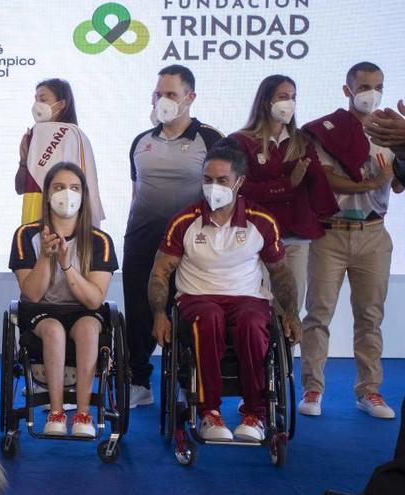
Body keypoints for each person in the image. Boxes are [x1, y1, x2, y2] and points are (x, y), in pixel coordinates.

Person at [149, 140, 302, 443]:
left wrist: (293, 314)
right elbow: (160, 271)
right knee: (208, 317)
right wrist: (158, 314)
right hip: (197, 298)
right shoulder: (184, 221)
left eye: (222, 180)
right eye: (207, 180)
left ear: (240, 182)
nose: (213, 187)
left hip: (247, 298)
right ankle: (210, 412)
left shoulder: (262, 221)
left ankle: (255, 414)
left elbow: (281, 272)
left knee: (253, 323)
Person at [298, 62, 404, 419]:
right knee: (318, 314)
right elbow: (325, 179)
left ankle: (369, 392)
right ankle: (313, 390)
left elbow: (400, 182)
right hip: (331, 232)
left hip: (373, 234)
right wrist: (372, 183)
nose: (370, 93)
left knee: (370, 317)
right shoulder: (325, 131)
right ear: (347, 90)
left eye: (377, 85)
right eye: (363, 86)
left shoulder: (392, 131)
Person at [123, 65, 224, 409]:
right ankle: (139, 380)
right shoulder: (141, 141)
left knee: (182, 311)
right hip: (141, 238)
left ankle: (184, 380)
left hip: (187, 244)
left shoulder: (210, 139)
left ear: (189, 98)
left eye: (170, 95)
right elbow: (137, 193)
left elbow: (223, 194)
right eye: (158, 94)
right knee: (138, 311)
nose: (162, 101)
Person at [9, 161, 117, 437]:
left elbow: (94, 300)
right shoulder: (26, 235)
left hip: (83, 310)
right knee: (54, 331)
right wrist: (46, 256)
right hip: (41, 310)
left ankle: (83, 413)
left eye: (74, 188)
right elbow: (32, 293)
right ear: (47, 194)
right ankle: (56, 412)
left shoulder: (100, 241)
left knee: (89, 329)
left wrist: (67, 265)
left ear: (83, 195)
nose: (66, 194)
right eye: (59, 187)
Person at [229, 74, 339, 316]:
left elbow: (316, 184)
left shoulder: (302, 141)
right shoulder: (241, 141)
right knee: (257, 307)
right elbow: (241, 189)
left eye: (293, 97)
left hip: (295, 238)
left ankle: (287, 354)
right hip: (255, 237)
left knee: (290, 310)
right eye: (282, 97)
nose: (289, 103)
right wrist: (287, 185)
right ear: (265, 101)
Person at [16, 79, 104, 227]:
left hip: (65, 220)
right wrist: (23, 162)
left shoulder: (73, 134)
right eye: (35, 99)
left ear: (62, 104)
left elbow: (84, 182)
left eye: (43, 99)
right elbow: (20, 188)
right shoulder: (33, 134)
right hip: (32, 217)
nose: (37, 104)